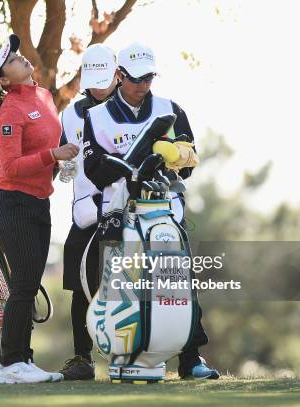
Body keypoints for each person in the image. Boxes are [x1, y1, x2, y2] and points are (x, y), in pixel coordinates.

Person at [82, 42, 220, 380]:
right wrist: (131, 163)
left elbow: (190, 159)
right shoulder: (96, 116)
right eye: (137, 79)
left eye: (149, 78)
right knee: (122, 289)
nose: (144, 86)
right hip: (120, 214)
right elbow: (94, 170)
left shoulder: (168, 109)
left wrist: (174, 154)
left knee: (178, 284)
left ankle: (191, 359)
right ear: (119, 75)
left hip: (165, 212)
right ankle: (124, 353)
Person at [0, 34, 79, 384]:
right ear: (3, 80)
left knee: (31, 281)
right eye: (11, 60)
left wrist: (59, 161)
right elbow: (9, 168)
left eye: (17, 54)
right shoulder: (10, 109)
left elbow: (50, 144)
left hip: (39, 201)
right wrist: (53, 156)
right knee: (23, 284)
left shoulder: (44, 96)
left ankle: (23, 359)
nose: (20, 58)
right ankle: (11, 364)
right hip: (13, 205)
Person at [57, 44, 120, 380]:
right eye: (93, 80)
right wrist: (66, 164)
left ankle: (129, 354)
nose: (99, 87)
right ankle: (82, 356)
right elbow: (66, 160)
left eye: (105, 79)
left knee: (128, 283)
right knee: (80, 286)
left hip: (125, 208)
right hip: (85, 210)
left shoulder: (131, 108)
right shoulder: (69, 114)